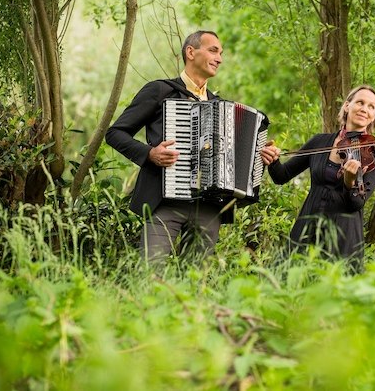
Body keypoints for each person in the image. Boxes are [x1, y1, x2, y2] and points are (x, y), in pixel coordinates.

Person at [106, 30, 274, 260]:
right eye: (213, 50)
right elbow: (115, 133)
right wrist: (150, 153)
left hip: (209, 208)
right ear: (191, 52)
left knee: (194, 283)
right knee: (151, 272)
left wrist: (260, 157)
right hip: (164, 202)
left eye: (221, 53)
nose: (220, 58)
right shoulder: (160, 91)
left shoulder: (221, 106)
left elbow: (238, 162)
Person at [259, 85, 375, 270]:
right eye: (360, 102)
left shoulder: (373, 154)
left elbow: (357, 203)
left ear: (374, 116)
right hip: (307, 229)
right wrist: (272, 159)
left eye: (371, 106)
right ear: (347, 106)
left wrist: (349, 180)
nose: (364, 109)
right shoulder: (320, 142)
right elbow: (282, 176)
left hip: (343, 239)